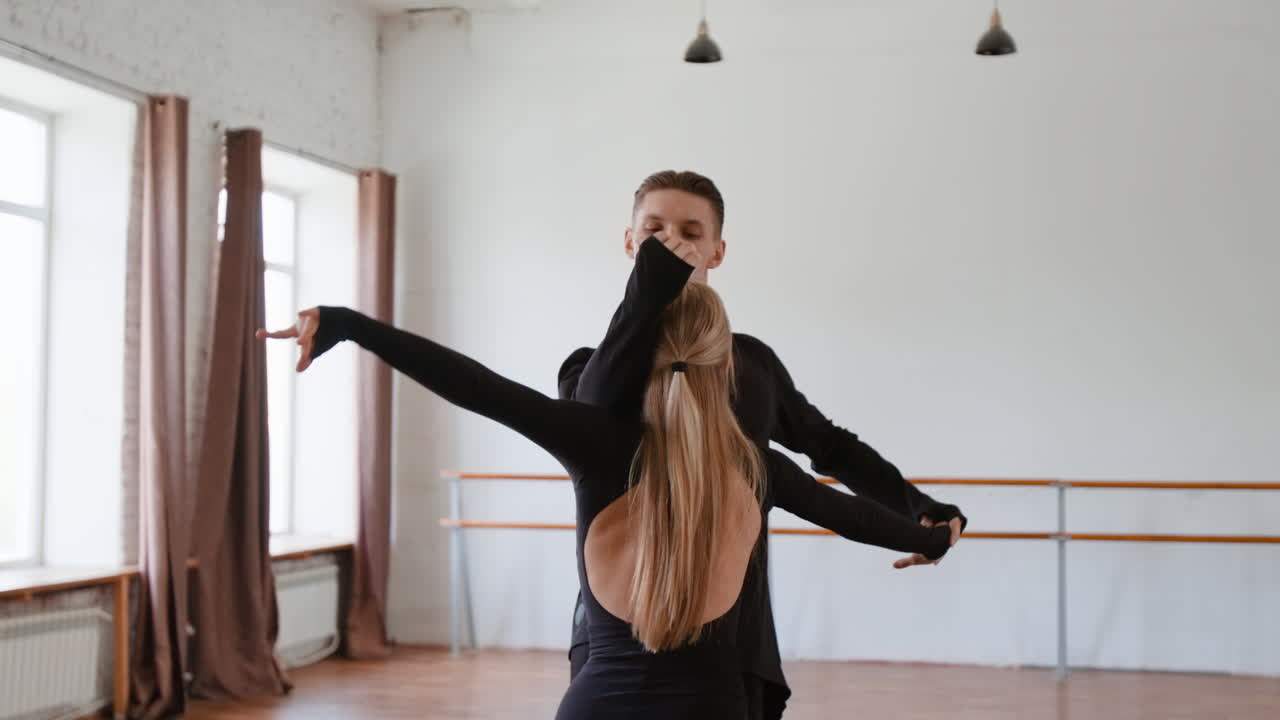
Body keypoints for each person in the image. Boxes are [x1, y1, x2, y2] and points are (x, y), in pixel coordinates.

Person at [258, 261, 952, 718]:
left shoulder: (592, 442)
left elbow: (473, 384)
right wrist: (932, 535)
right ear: (726, 365)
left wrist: (346, 324)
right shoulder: (759, 467)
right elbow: (855, 515)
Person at [560, 170, 968, 718]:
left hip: (734, 640)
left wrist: (920, 509)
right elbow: (594, 410)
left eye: (690, 231)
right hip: (615, 640)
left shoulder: (750, 364)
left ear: (717, 251)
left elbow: (831, 447)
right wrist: (652, 285)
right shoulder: (588, 368)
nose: (672, 243)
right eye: (654, 231)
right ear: (630, 242)